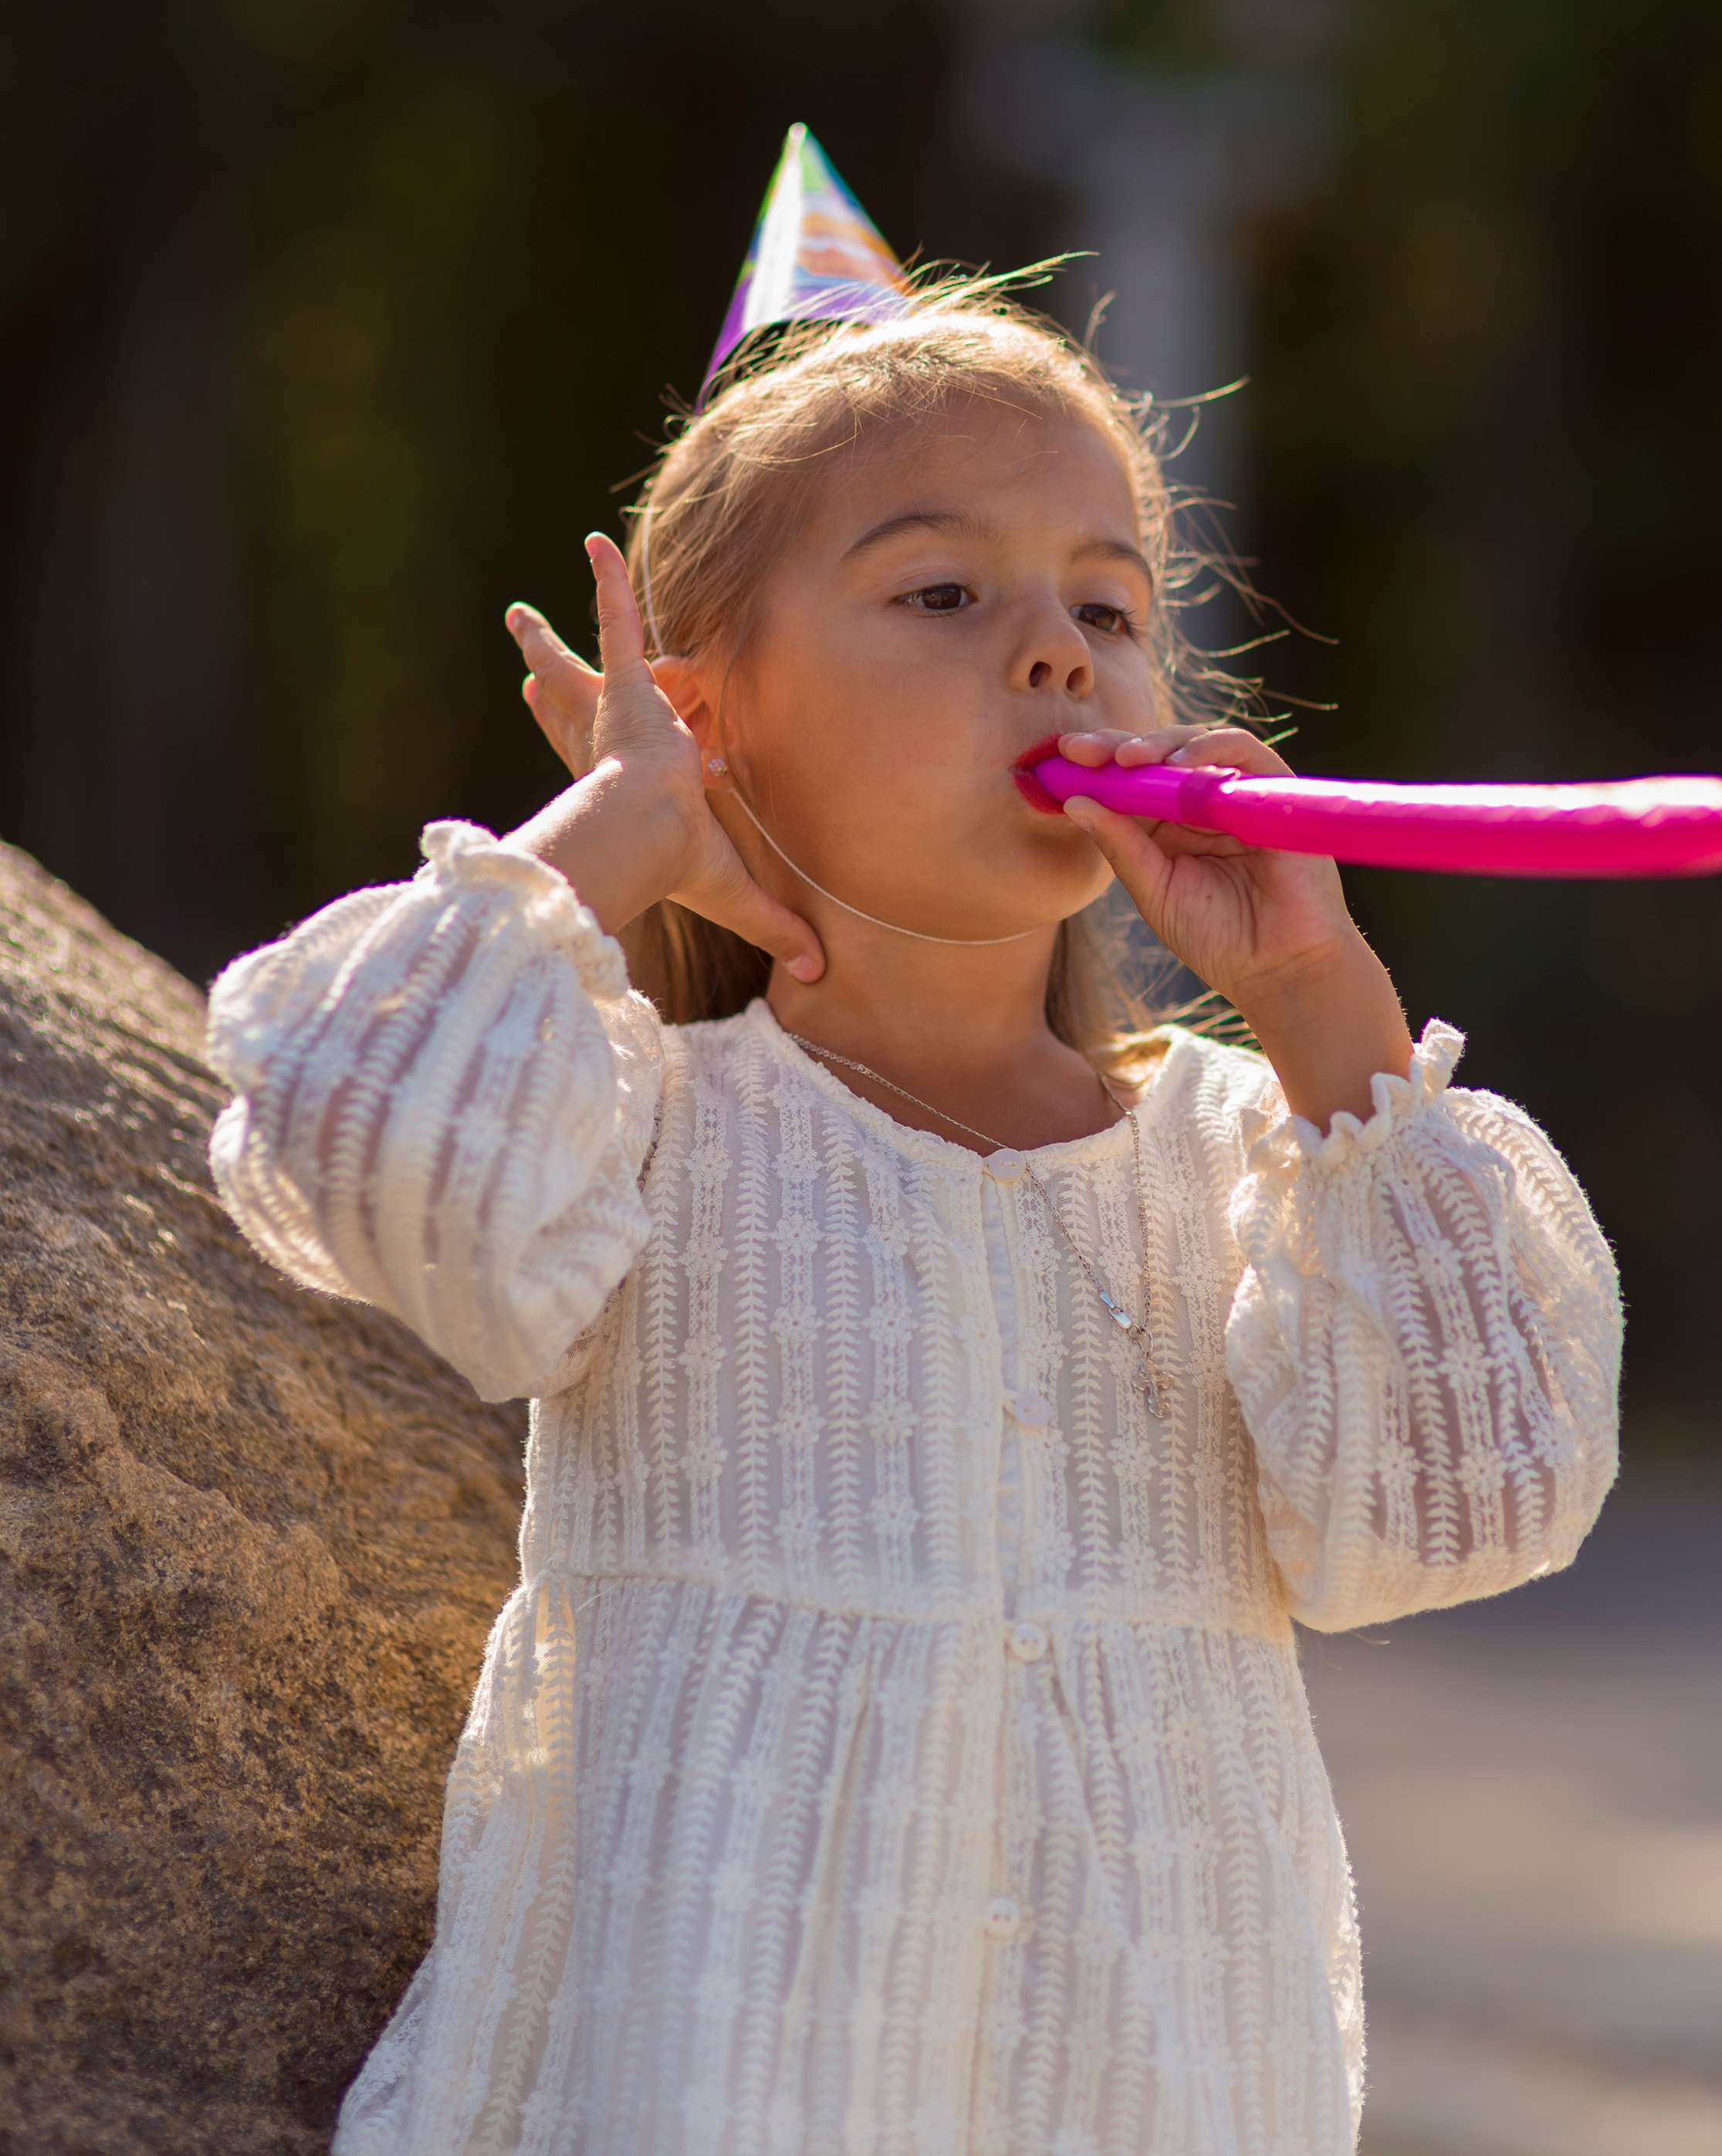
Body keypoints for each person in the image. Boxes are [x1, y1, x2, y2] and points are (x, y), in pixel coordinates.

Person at [207, 271, 1622, 2156]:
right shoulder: (639, 1125)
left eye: (1104, 606)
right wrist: (628, 820)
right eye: (941, 592)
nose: (1054, 651)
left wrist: (1319, 1002)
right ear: (717, 711)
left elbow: (1474, 1498)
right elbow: (342, 1122)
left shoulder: (1244, 1159)